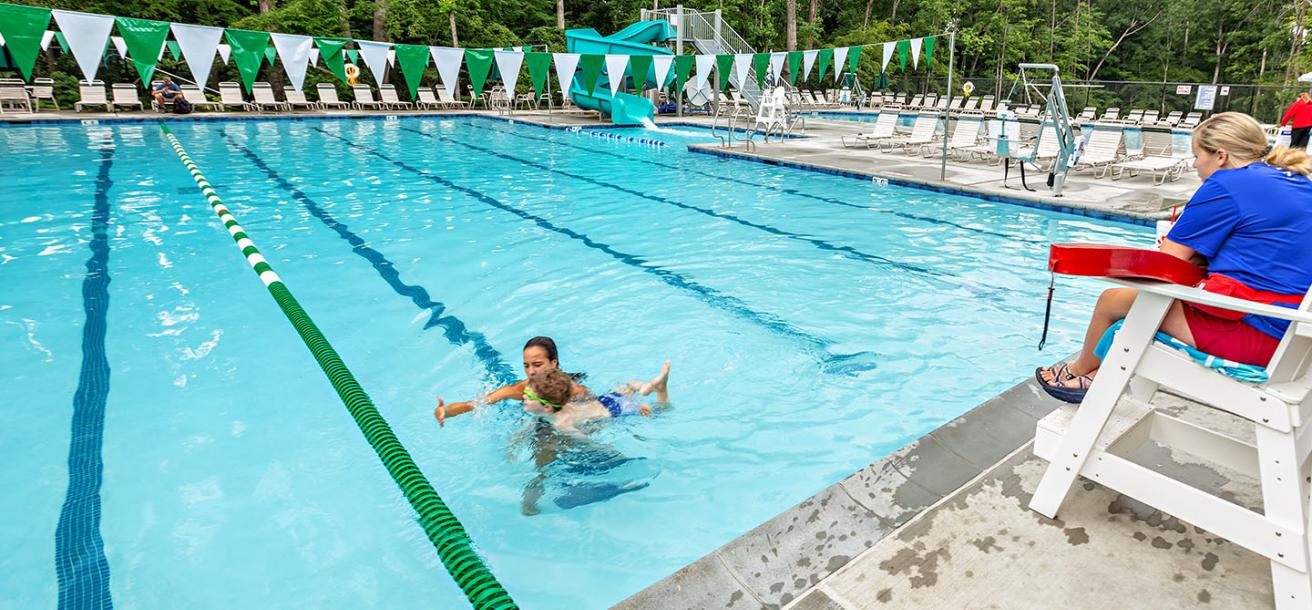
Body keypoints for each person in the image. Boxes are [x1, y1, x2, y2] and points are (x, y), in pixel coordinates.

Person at [1037, 112, 1312, 403]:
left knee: (1112, 301)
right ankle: (1094, 372)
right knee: (1137, 307)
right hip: (1294, 335)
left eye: (1196, 156)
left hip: (1256, 334)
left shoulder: (1227, 184)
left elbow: (1166, 264)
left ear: (1220, 156)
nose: (1194, 165)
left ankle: (1079, 371)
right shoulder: (1298, 182)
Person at [434, 336, 589, 426]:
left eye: (537, 365)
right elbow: (476, 404)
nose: (531, 372)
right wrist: (445, 411)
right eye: (526, 366)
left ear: (553, 363)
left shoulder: (574, 390)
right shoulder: (523, 388)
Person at [522, 363, 671, 435]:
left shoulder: (561, 423)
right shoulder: (561, 402)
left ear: (547, 407)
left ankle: (662, 390)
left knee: (661, 410)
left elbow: (585, 441)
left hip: (615, 411)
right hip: (605, 399)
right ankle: (645, 387)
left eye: (529, 396)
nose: (523, 396)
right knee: (629, 385)